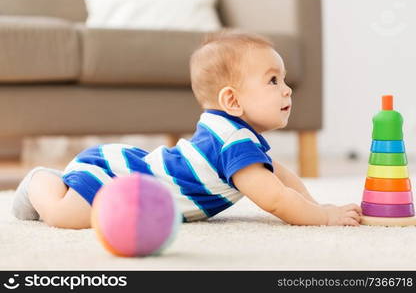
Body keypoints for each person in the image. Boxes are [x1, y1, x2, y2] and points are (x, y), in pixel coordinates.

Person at [12, 31, 362, 229]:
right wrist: (321, 218)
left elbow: (280, 176)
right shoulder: (233, 141)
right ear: (232, 101)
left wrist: (315, 204)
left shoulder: (233, 134)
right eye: (273, 80)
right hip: (123, 182)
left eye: (283, 79)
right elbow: (274, 198)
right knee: (66, 218)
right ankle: (41, 182)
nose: (287, 89)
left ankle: (54, 183)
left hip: (141, 176)